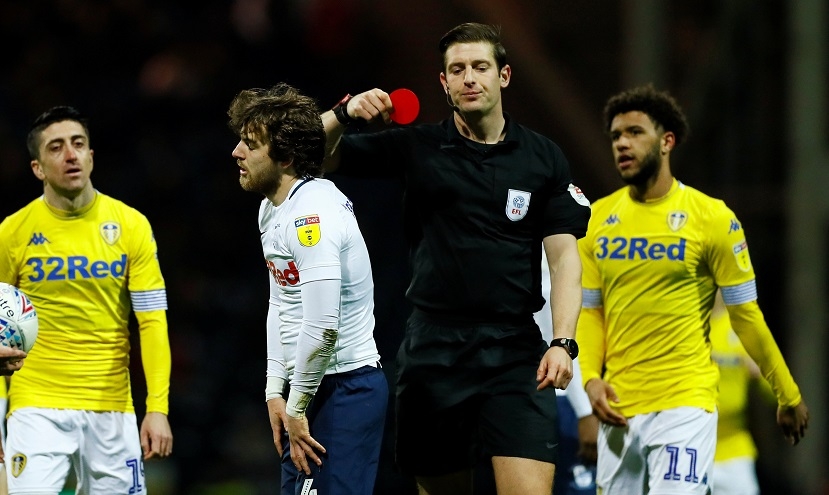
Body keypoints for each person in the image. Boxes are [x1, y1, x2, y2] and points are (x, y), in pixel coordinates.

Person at [321, 22, 592, 495]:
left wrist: (563, 341)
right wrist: (343, 113)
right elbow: (313, 157)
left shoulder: (542, 157)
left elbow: (564, 258)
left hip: (515, 352)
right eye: (458, 69)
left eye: (480, 67)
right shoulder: (416, 147)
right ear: (443, 83)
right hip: (435, 352)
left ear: (504, 75)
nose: (469, 77)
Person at [577, 84, 810, 494]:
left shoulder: (712, 218)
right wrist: (591, 380)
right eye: (615, 136)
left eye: (635, 132)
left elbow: (746, 315)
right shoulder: (596, 220)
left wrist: (787, 394)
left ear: (667, 142)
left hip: (684, 404)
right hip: (618, 405)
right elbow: (591, 314)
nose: (622, 144)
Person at [0, 106, 174, 493]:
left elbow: (152, 320)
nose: (70, 155)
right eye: (56, 147)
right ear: (37, 168)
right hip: (35, 405)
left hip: (112, 405)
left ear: (91, 156)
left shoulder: (131, 224)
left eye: (78, 144)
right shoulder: (12, 232)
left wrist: (157, 408)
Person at [227, 83, 388, 495]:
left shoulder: (312, 216)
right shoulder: (272, 208)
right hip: (309, 386)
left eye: (250, 144)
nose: (237, 153)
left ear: (285, 157)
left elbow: (322, 326)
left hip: (345, 388)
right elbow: (280, 302)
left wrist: (296, 405)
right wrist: (273, 391)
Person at [710, 290, 774, 495]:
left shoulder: (742, 329)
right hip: (693, 445)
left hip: (734, 449)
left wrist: (760, 372)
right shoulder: (687, 328)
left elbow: (778, 394)